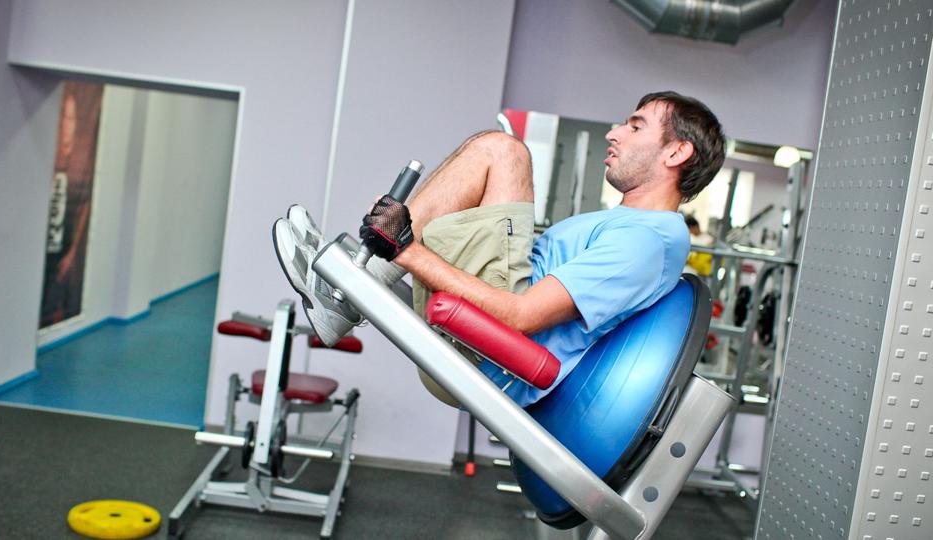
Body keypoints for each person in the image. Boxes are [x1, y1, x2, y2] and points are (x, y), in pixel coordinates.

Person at [274, 91, 725, 407]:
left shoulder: (647, 241)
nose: (614, 133)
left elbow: (522, 315)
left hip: (492, 355)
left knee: (502, 152)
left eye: (635, 126)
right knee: (490, 150)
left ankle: (348, 292)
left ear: (675, 153)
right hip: (487, 338)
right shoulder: (632, 225)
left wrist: (405, 249)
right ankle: (349, 291)